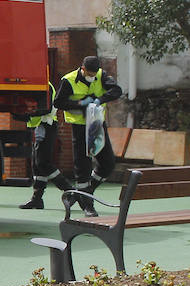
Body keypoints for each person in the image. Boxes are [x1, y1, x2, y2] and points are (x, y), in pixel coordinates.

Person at [53, 55, 123, 216]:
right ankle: (87, 206)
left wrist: (100, 99)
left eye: (94, 74)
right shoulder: (69, 80)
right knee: (82, 166)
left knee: (108, 163)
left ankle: (83, 192)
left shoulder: (101, 75)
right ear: (82, 69)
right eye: (89, 74)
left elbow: (116, 90)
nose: (92, 77)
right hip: (79, 127)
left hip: (97, 124)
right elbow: (58, 102)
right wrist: (79, 103)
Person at [19, 81, 76, 210]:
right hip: (39, 127)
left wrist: (29, 114)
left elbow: (47, 108)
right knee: (36, 165)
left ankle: (70, 190)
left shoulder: (45, 86)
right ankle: (37, 199)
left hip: (46, 126)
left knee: (43, 163)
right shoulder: (37, 85)